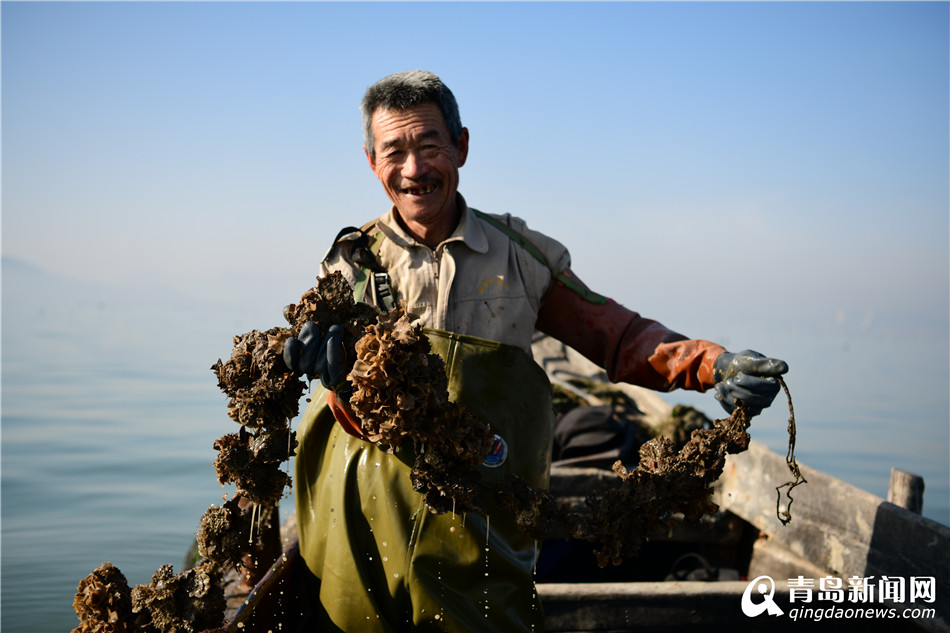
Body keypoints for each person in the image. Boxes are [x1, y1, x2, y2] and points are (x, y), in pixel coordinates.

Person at [284, 70, 788, 632]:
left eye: (430, 146)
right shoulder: (351, 261)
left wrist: (711, 365)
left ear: (462, 147)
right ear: (371, 161)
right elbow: (304, 354)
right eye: (394, 151)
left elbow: (618, 336)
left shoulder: (521, 257)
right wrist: (309, 355)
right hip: (365, 510)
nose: (413, 169)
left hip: (483, 509)